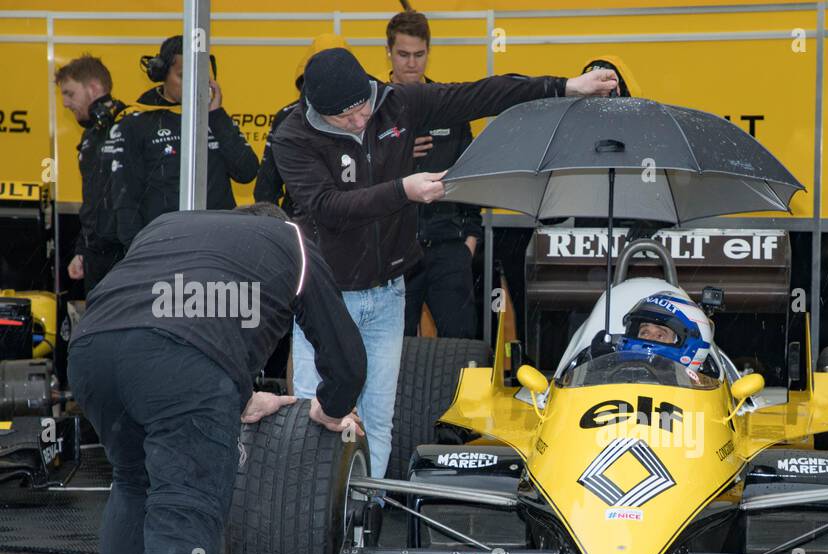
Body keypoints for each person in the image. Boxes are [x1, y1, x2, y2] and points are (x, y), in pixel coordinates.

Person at [68, 204, 365, 554]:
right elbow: (346, 358)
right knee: (184, 519)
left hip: (92, 351)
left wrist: (227, 394)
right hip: (180, 363)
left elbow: (159, 321)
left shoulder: (167, 224)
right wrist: (331, 408)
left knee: (133, 486)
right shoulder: (293, 242)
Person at [271, 46, 618, 478]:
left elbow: (480, 94)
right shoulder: (292, 136)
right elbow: (327, 207)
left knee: (378, 421)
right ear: (316, 111)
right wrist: (404, 190)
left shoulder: (396, 102)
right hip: (324, 298)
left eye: (363, 109)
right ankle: (306, 524)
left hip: (387, 293)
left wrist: (566, 87)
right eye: (345, 119)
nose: (360, 122)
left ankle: (367, 516)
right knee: (316, 415)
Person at [386, 11, 485, 340]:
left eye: (419, 54)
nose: (411, 63)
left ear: (429, 51)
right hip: (393, 248)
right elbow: (357, 181)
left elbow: (469, 177)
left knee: (462, 345)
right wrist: (398, 153)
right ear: (388, 52)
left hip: (448, 247)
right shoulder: (372, 113)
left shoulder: (449, 105)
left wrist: (469, 241)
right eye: (403, 54)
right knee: (393, 348)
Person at [111, 35, 259, 249]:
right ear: (162, 74)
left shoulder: (214, 118)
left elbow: (247, 172)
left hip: (218, 243)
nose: (193, 84)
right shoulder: (136, 122)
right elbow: (126, 197)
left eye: (200, 76)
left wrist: (217, 116)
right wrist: (136, 251)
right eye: (183, 76)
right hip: (164, 244)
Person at [253, 33, 351, 219]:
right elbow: (266, 189)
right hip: (303, 224)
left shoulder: (362, 116)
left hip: (346, 221)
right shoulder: (287, 117)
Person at [56, 55, 128, 293]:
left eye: (70, 93)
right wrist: (81, 251)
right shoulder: (90, 136)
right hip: (96, 256)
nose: (65, 103)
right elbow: (93, 201)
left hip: (126, 254)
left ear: (94, 88)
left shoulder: (131, 127)